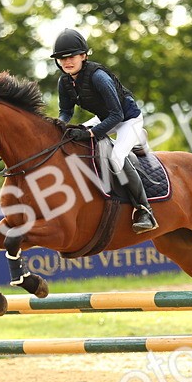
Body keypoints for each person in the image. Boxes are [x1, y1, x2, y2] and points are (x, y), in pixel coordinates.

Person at [51, 28, 158, 233]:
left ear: (84, 56)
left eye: (71, 56)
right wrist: (56, 128)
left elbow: (117, 115)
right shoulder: (64, 82)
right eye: (61, 59)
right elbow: (65, 112)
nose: (66, 62)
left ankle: (145, 210)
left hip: (128, 119)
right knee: (72, 137)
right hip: (105, 118)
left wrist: (91, 133)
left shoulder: (99, 77)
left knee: (116, 157)